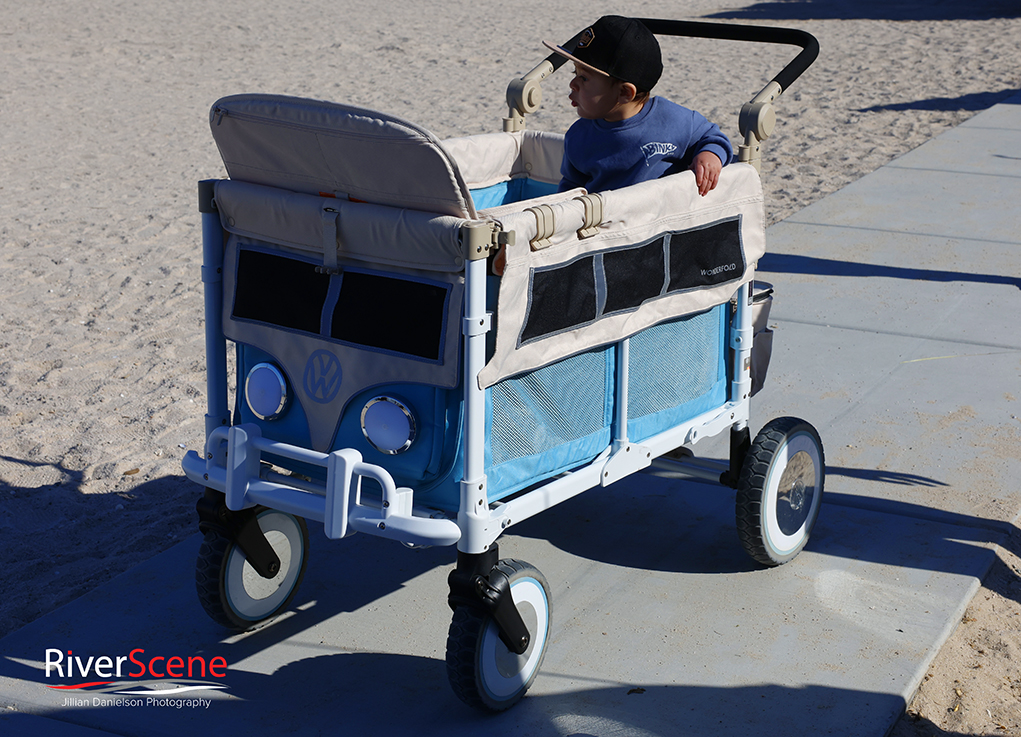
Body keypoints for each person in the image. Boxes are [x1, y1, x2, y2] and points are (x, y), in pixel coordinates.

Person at [545, 15, 733, 197]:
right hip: (604, 225)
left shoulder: (673, 120)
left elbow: (712, 136)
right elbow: (571, 186)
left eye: (584, 78)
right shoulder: (579, 136)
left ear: (625, 93)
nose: (573, 84)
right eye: (574, 72)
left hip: (658, 224)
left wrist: (710, 155)